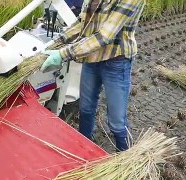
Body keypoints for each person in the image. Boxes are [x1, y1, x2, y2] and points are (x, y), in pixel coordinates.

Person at [41, 0, 146, 151]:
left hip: (116, 61)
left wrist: (63, 54)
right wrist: (54, 44)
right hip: (91, 56)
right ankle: (82, 149)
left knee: (116, 122)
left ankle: (126, 157)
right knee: (86, 108)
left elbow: (105, 36)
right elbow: (82, 22)